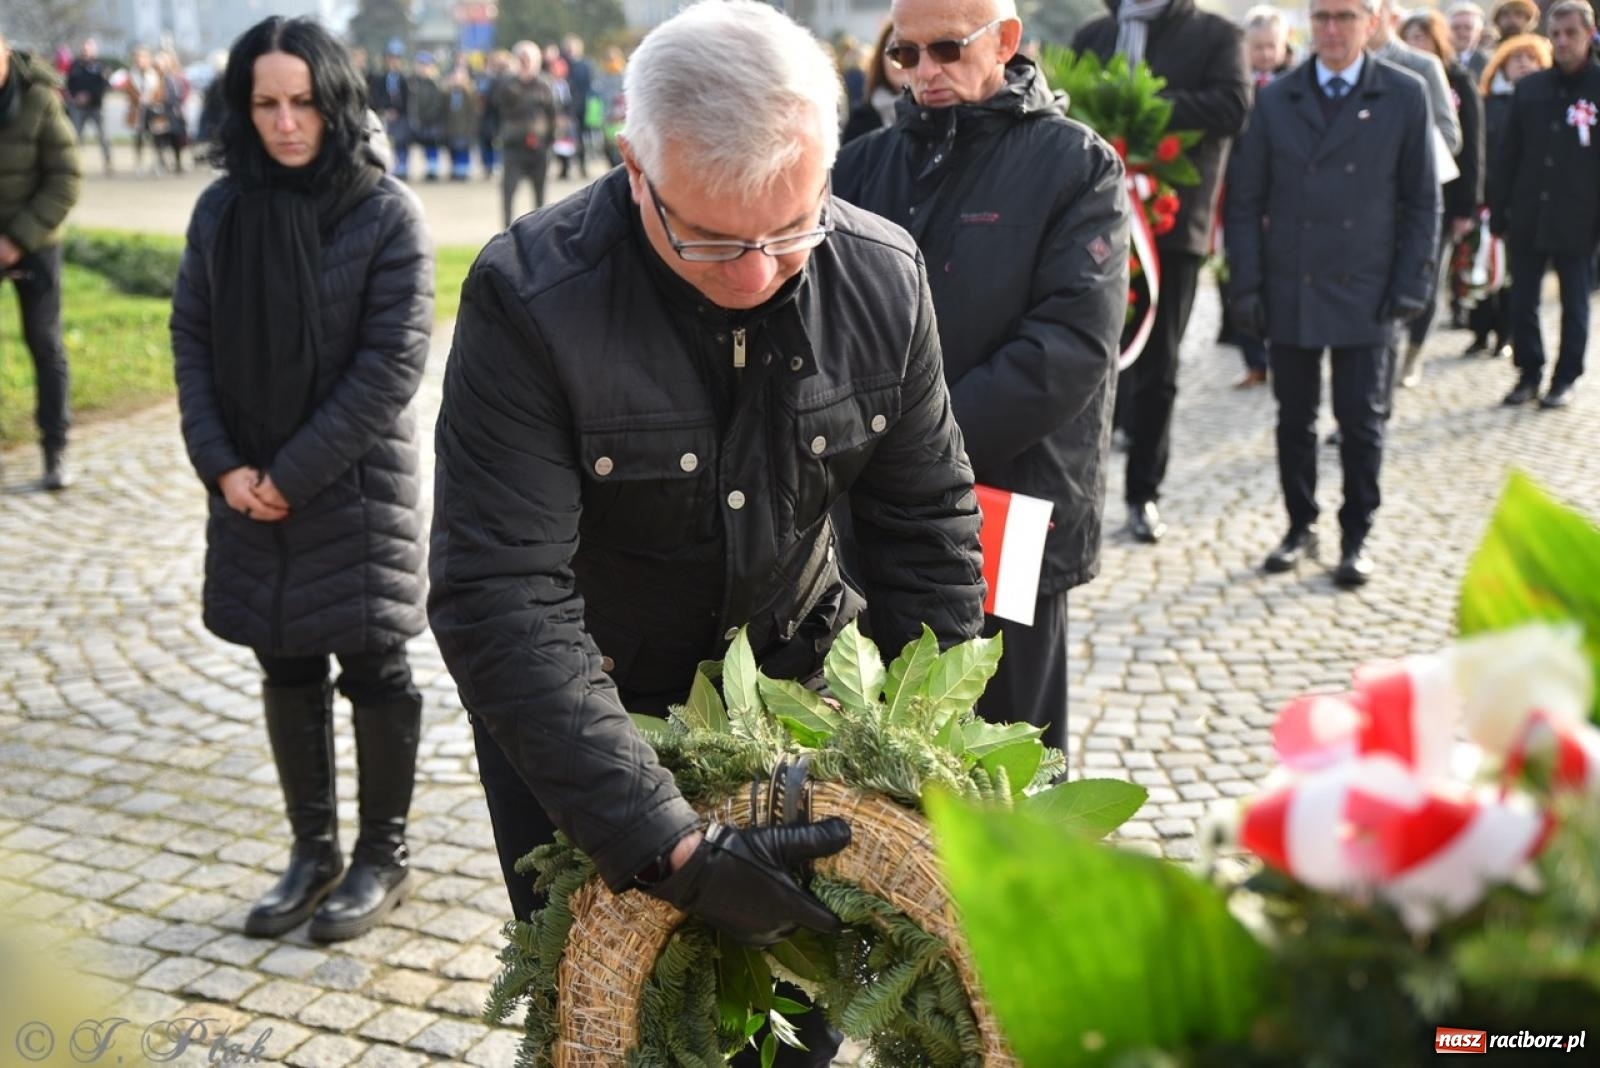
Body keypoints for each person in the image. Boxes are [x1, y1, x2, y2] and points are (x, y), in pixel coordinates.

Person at [429, 3, 984, 1063]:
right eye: (712, 239)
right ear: (634, 166)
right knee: (616, 1029)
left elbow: (927, 529)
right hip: (592, 725)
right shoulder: (530, 299)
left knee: (800, 1027)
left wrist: (913, 764)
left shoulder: (880, 274)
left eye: (790, 228)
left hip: (800, 711)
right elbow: (499, 593)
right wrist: (664, 843)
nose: (758, 273)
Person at [170, 15, 434, 943]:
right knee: (282, 657)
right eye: (267, 104)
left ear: (334, 104)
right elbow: (191, 342)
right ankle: (312, 850)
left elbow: (391, 365)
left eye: (304, 103)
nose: (287, 123)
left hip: (352, 488)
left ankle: (383, 855)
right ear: (243, 110)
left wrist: (289, 473)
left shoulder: (383, 211)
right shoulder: (221, 211)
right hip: (245, 482)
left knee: (373, 664)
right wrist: (225, 468)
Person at [835, 0, 1129, 755]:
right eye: (905, 55)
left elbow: (1069, 347)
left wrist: (916, 449)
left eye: (946, 49)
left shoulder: (1077, 163)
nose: (924, 72)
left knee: (1009, 746)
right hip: (872, 501)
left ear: (1005, 42)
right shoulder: (864, 161)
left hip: (1009, 497)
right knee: (886, 744)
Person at [1226, 0, 1439, 588]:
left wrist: (1413, 281)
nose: (1332, 29)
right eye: (1322, 16)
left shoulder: (1404, 92)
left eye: (1345, 16)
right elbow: (1244, 202)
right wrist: (1243, 286)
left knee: (1361, 420)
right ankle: (1300, 524)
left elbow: (1423, 200)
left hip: (1369, 286)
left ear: (1372, 22)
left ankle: (1357, 533)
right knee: (1293, 419)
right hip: (1293, 284)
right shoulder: (1275, 98)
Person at [1074, 0, 1250, 546]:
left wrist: (1141, 108)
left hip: (1171, 226)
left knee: (1158, 365)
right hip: (1089, 226)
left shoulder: (1217, 35)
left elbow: (1233, 106)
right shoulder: (1095, 36)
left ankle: (1142, 492)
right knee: (1080, 360)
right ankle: (1079, 492)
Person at [1491, 0, 1600, 408]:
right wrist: (1498, 210)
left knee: (1575, 303)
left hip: (1580, 216)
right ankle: (1529, 371)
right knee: (1523, 302)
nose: (1562, 42)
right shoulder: (1530, 88)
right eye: (1555, 34)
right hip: (1528, 211)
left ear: (1589, 33)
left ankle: (1565, 377)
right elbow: (1507, 155)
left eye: (1571, 33)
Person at [0, 29, 82, 490]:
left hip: (36, 241)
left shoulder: (39, 99)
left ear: (5, 54)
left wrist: (18, 237)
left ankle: (56, 448)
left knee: (45, 345)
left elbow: (67, 177)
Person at [1399, 9, 1485, 385]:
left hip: (1444, 197)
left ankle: (1414, 354)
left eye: (1422, 38)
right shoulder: (1393, 78)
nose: (1415, 45)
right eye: (1410, 37)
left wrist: (1467, 205)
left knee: (1428, 276)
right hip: (1397, 199)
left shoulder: (1457, 80)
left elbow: (1470, 148)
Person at [1467, 32, 1551, 357]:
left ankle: (1507, 333)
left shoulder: (1544, 101)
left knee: (1514, 278)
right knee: (1479, 269)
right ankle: (1479, 330)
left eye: (1532, 59)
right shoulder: (1487, 102)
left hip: (1527, 205)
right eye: (1518, 59)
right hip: (1488, 198)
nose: (1525, 65)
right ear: (1502, 64)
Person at [1230, 5, 1297, 389]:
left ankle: (1281, 354)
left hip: (1281, 196)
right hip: (1241, 194)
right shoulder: (1236, 83)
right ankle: (1254, 359)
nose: (1266, 54)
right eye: (1258, 47)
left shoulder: (1296, 85)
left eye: (1272, 46)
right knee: (1242, 274)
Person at [494, 40, 557, 228]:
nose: (525, 63)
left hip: (538, 148)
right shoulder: (506, 84)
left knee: (540, 195)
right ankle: (505, 230)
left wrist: (549, 141)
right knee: (508, 192)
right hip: (514, 147)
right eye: (521, 59)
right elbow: (496, 108)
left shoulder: (545, 84)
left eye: (529, 59)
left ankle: (540, 230)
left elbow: (553, 114)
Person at [841, 19, 908, 143]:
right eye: (894, 52)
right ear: (880, 58)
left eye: (909, 50)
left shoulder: (938, 117)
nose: (900, 60)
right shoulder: (860, 120)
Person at [65, 38, 111, 176]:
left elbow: (104, 85)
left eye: (88, 49)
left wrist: (90, 96)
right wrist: (75, 97)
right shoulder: (75, 65)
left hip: (96, 107)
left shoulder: (101, 65)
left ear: (94, 50)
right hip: (78, 107)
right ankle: (74, 163)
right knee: (75, 136)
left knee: (103, 136)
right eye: (83, 49)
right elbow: (69, 83)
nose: (85, 52)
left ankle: (108, 162)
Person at [373, 48, 411, 178]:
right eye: (391, 59)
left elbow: (407, 99)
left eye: (396, 59)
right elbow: (377, 97)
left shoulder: (404, 80)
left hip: (401, 116)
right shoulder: (381, 79)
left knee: (402, 142)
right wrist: (386, 109)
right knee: (387, 143)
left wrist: (398, 111)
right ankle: (389, 168)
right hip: (386, 116)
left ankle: (403, 168)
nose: (393, 62)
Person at [559, 33, 593, 179]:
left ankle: (582, 166)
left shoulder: (585, 65)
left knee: (581, 139)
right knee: (565, 138)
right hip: (567, 106)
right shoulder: (562, 64)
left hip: (582, 106)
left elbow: (589, 86)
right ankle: (565, 168)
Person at [442, 64, 478, 181]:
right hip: (451, 128)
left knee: (463, 151)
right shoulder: (447, 93)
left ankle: (463, 172)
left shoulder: (470, 94)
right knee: (453, 150)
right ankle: (455, 171)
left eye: (460, 76)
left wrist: (471, 129)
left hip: (464, 129)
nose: (457, 78)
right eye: (455, 75)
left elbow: (473, 114)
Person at [1449, 2, 1494, 79]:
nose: (1461, 33)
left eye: (1468, 28)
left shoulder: (1490, 62)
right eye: (1456, 27)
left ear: (1478, 33)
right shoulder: (1439, 60)